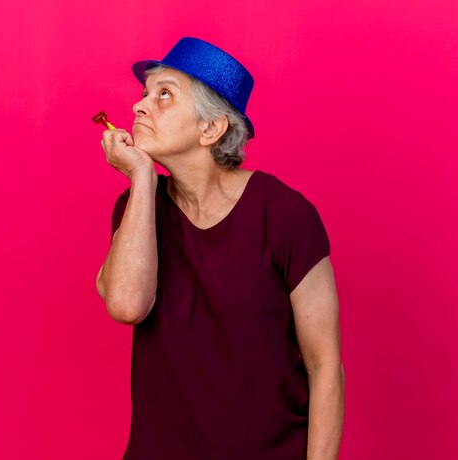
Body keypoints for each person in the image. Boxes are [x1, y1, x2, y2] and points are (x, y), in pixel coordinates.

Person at [96, 37, 344, 460]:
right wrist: (140, 177)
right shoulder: (138, 206)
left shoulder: (285, 214)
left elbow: (325, 367)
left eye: (165, 95)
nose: (139, 106)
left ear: (211, 128)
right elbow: (126, 305)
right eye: (144, 94)